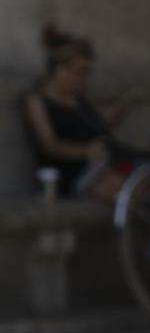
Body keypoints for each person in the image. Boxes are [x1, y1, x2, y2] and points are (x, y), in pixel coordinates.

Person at [22, 24, 134, 203]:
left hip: (103, 167)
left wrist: (117, 113)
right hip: (70, 176)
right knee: (126, 189)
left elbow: (97, 129)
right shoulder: (38, 100)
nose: (84, 79)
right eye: (80, 72)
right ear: (59, 70)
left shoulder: (78, 100)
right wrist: (85, 151)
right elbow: (49, 145)